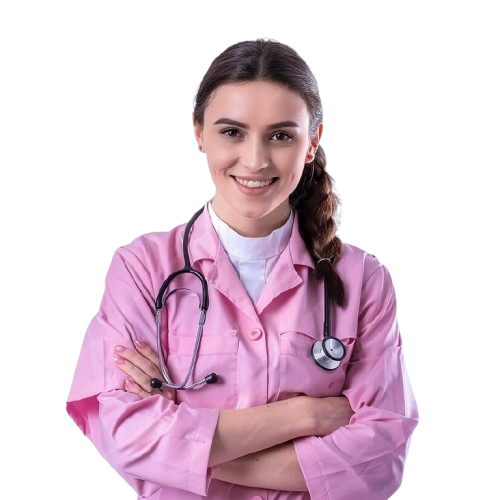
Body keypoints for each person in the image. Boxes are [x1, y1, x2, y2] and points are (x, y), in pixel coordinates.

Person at [66, 36, 420, 499]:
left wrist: (183, 454)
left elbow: (380, 463)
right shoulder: (142, 267)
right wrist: (307, 416)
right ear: (197, 133)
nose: (255, 160)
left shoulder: (363, 280)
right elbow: (125, 435)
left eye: (281, 135)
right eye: (232, 132)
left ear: (312, 142)